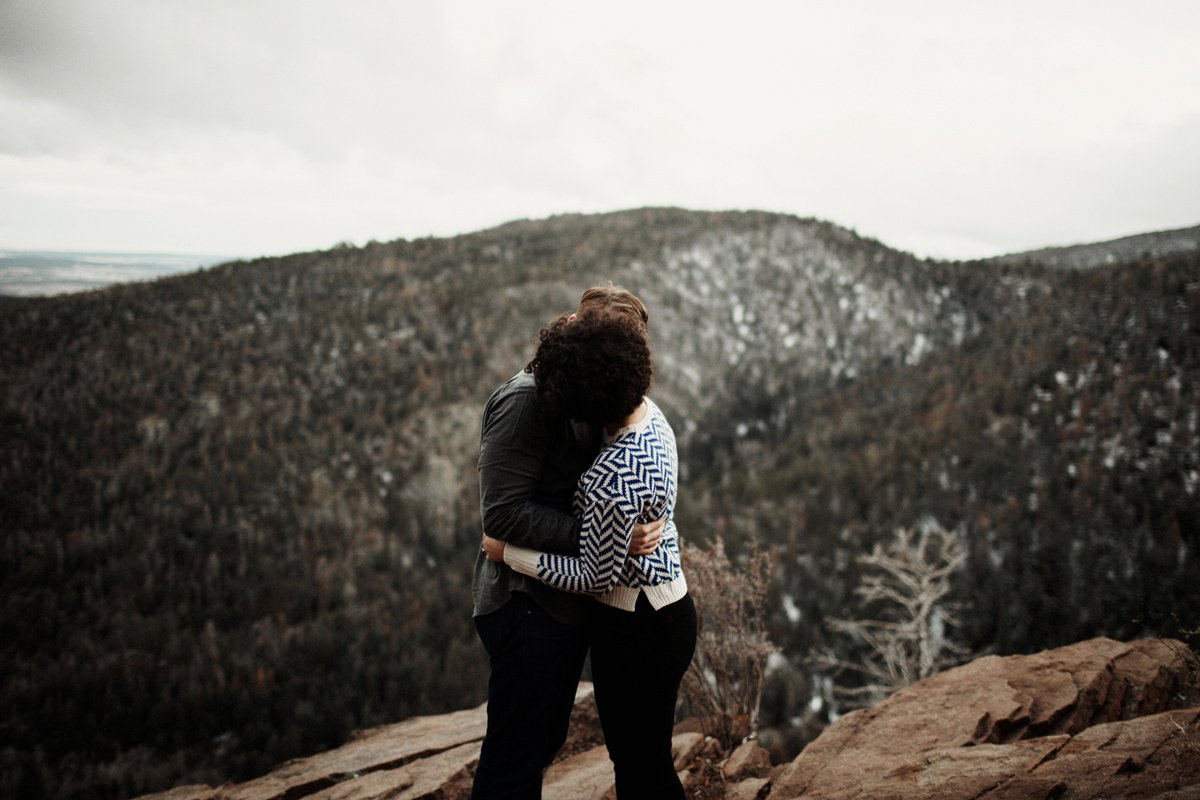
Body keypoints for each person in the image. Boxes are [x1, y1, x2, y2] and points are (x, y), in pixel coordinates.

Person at [483, 311, 697, 800]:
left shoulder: (608, 478)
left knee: (640, 770)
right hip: (669, 610)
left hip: (636, 629)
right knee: (648, 763)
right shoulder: (651, 415)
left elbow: (593, 577)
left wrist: (510, 553)